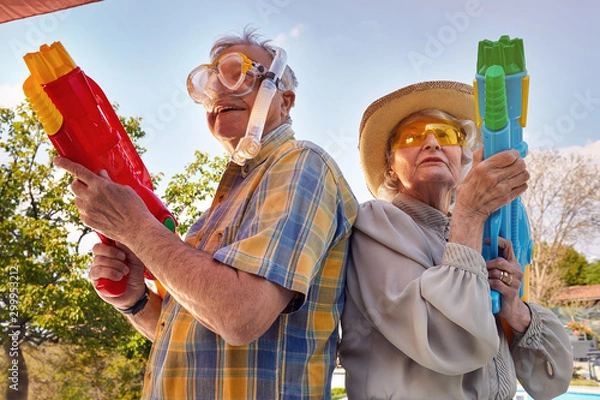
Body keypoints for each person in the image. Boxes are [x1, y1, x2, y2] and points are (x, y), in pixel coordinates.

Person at [55, 27, 358, 399]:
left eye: (238, 72)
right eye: (210, 78)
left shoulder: (302, 165)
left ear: (286, 101)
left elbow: (239, 316)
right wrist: (134, 302)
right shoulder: (220, 205)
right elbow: (192, 334)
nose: (218, 88)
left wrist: (134, 227)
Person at [339, 81, 573, 399]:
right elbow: (447, 340)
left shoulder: (475, 235)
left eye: (447, 134)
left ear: (463, 158)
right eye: (412, 136)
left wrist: (513, 310)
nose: (432, 143)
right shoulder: (375, 222)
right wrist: (470, 213)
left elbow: (553, 380)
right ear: (390, 168)